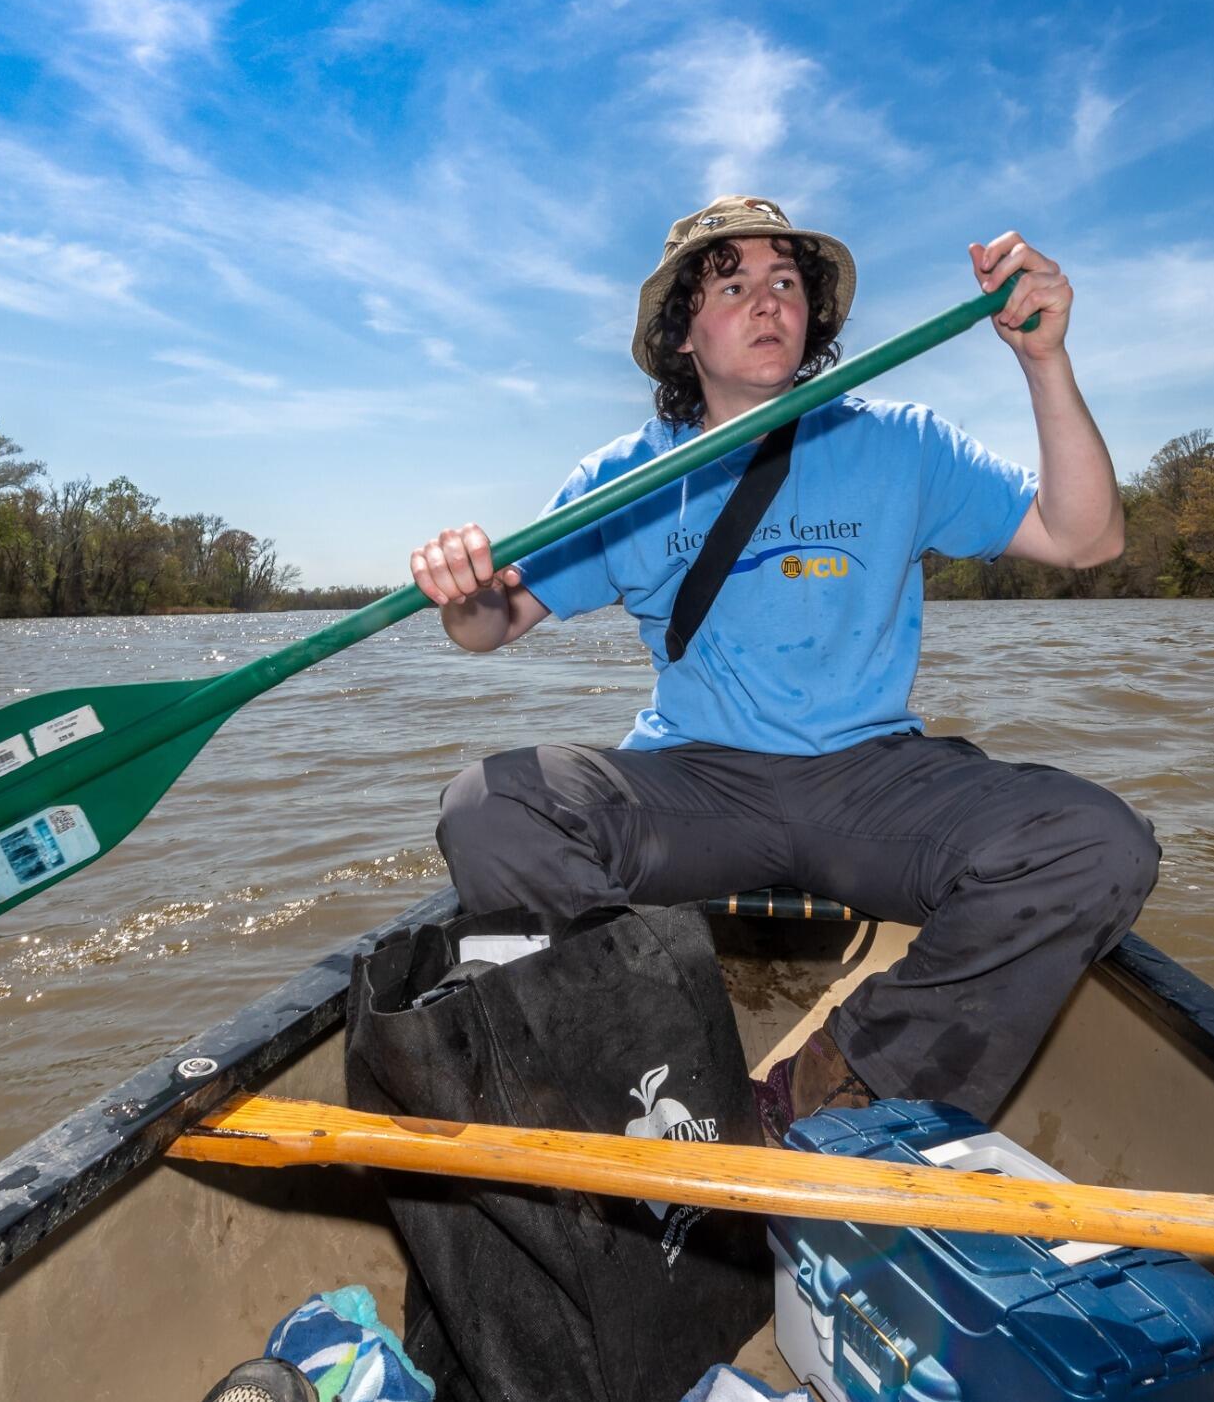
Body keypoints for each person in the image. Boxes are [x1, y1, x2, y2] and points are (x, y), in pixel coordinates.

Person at [408, 195, 1158, 1138]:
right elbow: (493, 625)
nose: (766, 302)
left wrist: (1043, 360)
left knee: (1099, 842)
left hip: (873, 783)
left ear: (812, 317)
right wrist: (462, 588)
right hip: (696, 782)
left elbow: (1085, 538)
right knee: (491, 804)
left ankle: (818, 1094)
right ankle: (653, 1059)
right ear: (683, 332)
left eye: (785, 283)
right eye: (731, 285)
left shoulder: (902, 441)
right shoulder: (624, 476)